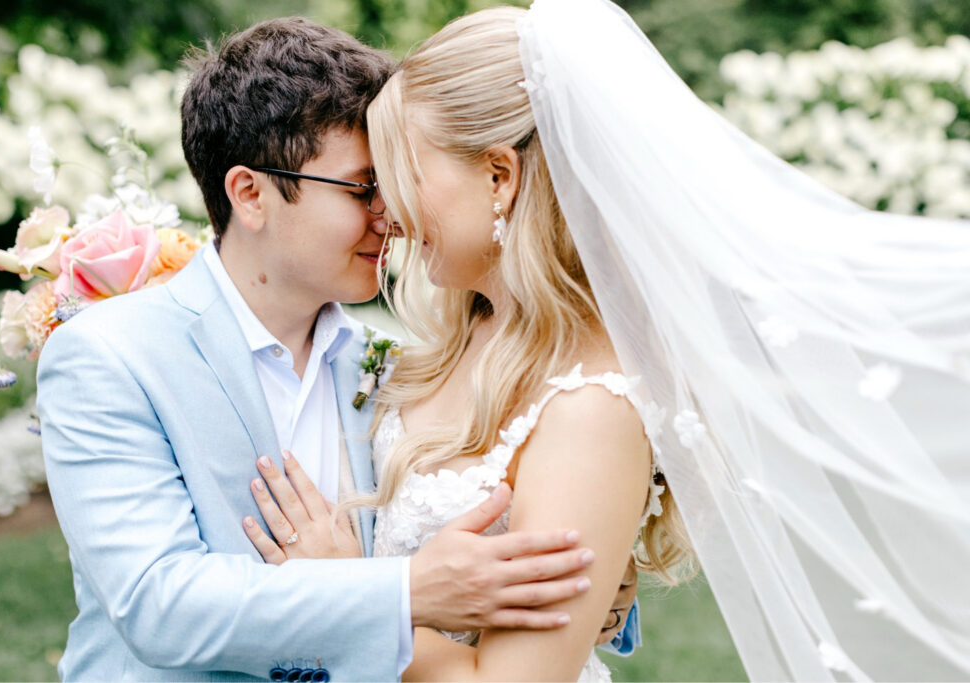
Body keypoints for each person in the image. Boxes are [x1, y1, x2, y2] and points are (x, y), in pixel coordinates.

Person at [246, 1, 970, 681]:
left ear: (500, 176)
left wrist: (350, 596)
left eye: (405, 176)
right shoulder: (454, 335)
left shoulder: (591, 407)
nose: (391, 215)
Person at [36, 17, 635, 682]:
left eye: (395, 181)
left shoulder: (397, 366)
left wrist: (603, 584)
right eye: (362, 187)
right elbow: (159, 605)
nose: (392, 214)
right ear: (250, 194)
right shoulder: (109, 355)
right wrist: (405, 589)